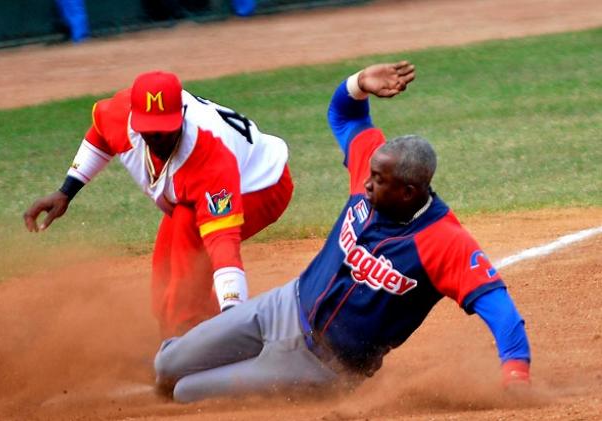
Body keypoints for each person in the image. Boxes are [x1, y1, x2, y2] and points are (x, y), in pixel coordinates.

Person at [153, 61, 532, 402]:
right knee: (169, 365)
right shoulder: (373, 168)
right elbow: (345, 116)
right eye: (369, 174)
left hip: (319, 367)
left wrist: (516, 375)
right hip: (281, 307)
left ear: (408, 192)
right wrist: (357, 83)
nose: (366, 184)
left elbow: (501, 311)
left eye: (378, 180)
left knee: (188, 391)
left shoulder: (443, 242)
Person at [23, 71, 293, 338]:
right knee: (164, 288)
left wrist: (233, 310)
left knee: (185, 283)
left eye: (164, 130)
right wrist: (66, 191)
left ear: (182, 116)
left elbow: (222, 243)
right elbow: (102, 135)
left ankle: (205, 336)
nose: (156, 139)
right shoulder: (122, 116)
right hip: (197, 191)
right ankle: (240, 330)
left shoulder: (209, 157)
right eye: (149, 131)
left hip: (261, 185)